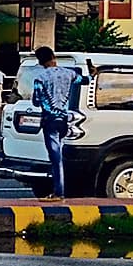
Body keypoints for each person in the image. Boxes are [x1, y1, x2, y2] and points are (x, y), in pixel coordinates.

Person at [31, 46, 86, 200]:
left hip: (49, 121)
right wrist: (93, 74)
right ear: (53, 56)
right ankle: (57, 189)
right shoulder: (69, 73)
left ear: (40, 61)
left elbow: (36, 100)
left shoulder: (40, 78)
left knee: (56, 159)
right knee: (58, 156)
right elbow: (84, 80)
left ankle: (59, 192)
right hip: (64, 120)